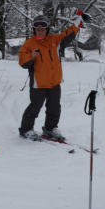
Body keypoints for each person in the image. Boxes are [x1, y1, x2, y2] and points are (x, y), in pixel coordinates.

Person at [18, 10, 92, 141]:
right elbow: (22, 62)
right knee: (34, 107)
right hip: (38, 83)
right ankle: (26, 129)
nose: (40, 31)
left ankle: (50, 129)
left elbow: (67, 35)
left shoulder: (55, 40)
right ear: (34, 30)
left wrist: (77, 22)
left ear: (47, 29)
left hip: (54, 82)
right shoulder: (29, 44)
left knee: (54, 107)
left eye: (43, 28)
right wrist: (31, 56)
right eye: (37, 28)